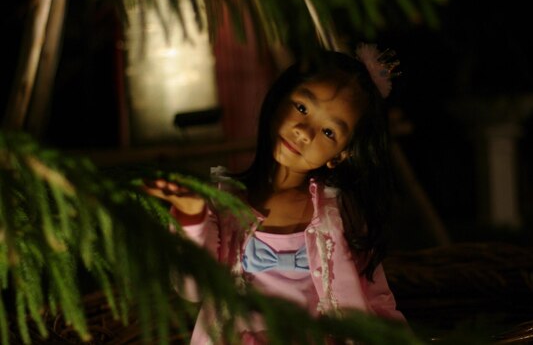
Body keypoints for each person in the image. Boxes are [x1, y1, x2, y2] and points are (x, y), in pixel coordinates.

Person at [144, 45, 405, 344]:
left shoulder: (341, 214)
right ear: (279, 97)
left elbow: (377, 297)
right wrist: (192, 215)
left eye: (329, 132)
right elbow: (191, 285)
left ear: (340, 155)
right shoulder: (225, 202)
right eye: (302, 107)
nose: (304, 131)